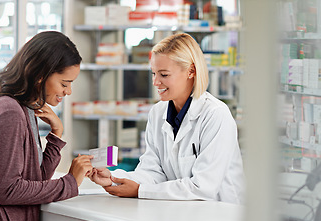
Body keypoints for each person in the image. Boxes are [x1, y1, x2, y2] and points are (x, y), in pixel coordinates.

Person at [0, 31, 93, 221]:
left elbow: (35, 180)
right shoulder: (9, 112)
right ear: (40, 75)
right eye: (65, 83)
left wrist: (56, 138)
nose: (68, 92)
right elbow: (9, 190)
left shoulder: (23, 109)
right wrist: (70, 183)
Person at [89, 33, 244, 204]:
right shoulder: (157, 113)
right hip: (182, 212)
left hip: (220, 215)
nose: (155, 82)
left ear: (191, 71)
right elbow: (152, 172)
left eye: (164, 75)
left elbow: (203, 187)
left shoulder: (215, 114)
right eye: (153, 73)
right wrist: (112, 177)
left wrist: (140, 191)